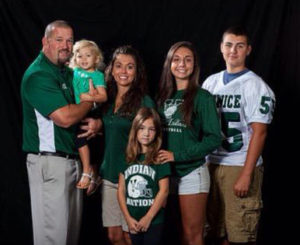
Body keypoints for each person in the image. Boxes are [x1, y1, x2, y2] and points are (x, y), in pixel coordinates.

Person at [21, 20, 101, 245]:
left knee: (68, 238)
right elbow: (65, 118)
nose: (66, 46)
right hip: (50, 164)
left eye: (70, 41)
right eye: (59, 40)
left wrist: (97, 124)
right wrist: (90, 101)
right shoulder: (38, 75)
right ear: (45, 42)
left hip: (72, 162)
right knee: (52, 240)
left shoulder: (67, 72)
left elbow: (81, 115)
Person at [202, 26, 275, 245]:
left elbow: (260, 132)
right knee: (215, 231)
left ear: (248, 50)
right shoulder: (210, 83)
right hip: (211, 163)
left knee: (240, 234)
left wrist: (246, 173)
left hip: (239, 163)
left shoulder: (256, 85)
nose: (233, 50)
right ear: (221, 48)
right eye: (229, 45)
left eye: (239, 46)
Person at [156, 41, 222, 245]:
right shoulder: (162, 97)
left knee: (191, 236)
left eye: (187, 59)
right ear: (169, 64)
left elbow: (214, 138)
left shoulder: (203, 97)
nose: (182, 64)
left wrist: (178, 155)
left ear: (194, 65)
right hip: (165, 174)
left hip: (191, 172)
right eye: (176, 59)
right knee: (170, 233)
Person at [100, 45, 156, 245]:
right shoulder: (104, 99)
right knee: (114, 236)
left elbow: (153, 139)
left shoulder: (144, 101)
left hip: (133, 177)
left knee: (130, 234)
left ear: (137, 71)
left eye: (130, 67)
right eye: (119, 66)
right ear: (112, 69)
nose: (123, 71)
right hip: (109, 175)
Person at [118, 107, 171, 245]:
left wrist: (148, 218)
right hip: (133, 220)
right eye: (141, 128)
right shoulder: (128, 157)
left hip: (153, 220)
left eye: (151, 129)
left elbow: (164, 190)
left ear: (157, 132)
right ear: (135, 130)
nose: (146, 133)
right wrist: (128, 218)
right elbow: (121, 190)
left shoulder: (160, 157)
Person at [69, 39, 107, 189]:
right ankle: (94, 174)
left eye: (88, 56)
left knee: (82, 138)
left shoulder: (97, 75)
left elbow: (103, 96)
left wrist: (89, 97)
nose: (83, 60)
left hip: (92, 111)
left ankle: (87, 172)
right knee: (82, 140)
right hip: (77, 111)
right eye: (79, 56)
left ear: (96, 58)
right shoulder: (75, 72)